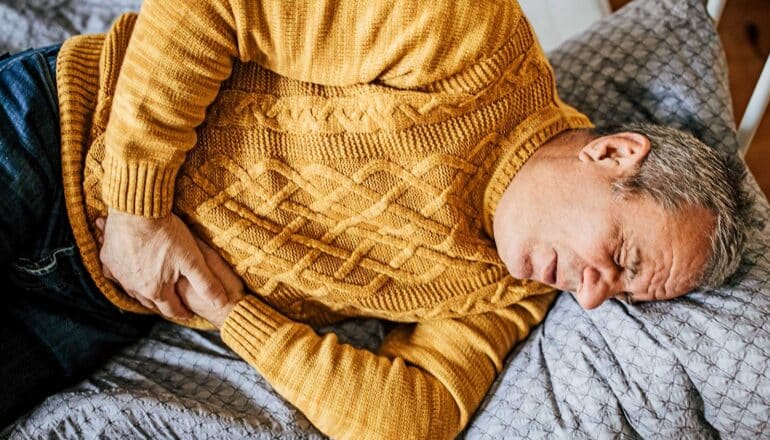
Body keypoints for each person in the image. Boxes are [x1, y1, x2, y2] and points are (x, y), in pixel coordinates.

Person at [0, 0, 752, 437]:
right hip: (62, 130)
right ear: (614, 154)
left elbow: (409, 420)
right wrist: (136, 207)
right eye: (618, 258)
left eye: (615, 294)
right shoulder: (471, 43)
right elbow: (216, 6)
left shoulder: (512, 293)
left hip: (98, 298)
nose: (588, 295)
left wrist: (233, 315)